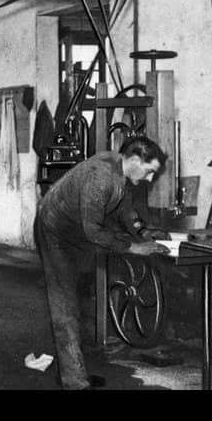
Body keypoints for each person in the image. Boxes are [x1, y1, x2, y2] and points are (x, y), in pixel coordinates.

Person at [35, 136, 170, 390]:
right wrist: (133, 247)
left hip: (76, 231)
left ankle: (74, 370)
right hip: (56, 231)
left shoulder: (119, 169)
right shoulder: (101, 175)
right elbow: (93, 231)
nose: (150, 179)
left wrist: (142, 233)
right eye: (150, 171)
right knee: (65, 303)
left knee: (80, 299)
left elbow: (124, 208)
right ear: (134, 159)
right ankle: (74, 381)